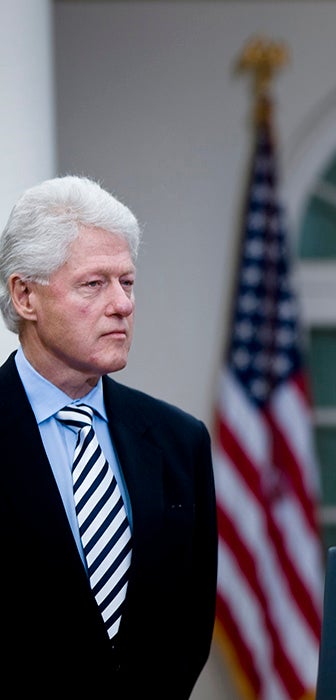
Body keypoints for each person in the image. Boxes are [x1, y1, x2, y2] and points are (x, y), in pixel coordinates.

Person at [0, 176, 217, 698]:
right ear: (25, 295)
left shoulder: (180, 442)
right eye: (94, 284)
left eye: (128, 282)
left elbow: (189, 627)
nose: (122, 304)